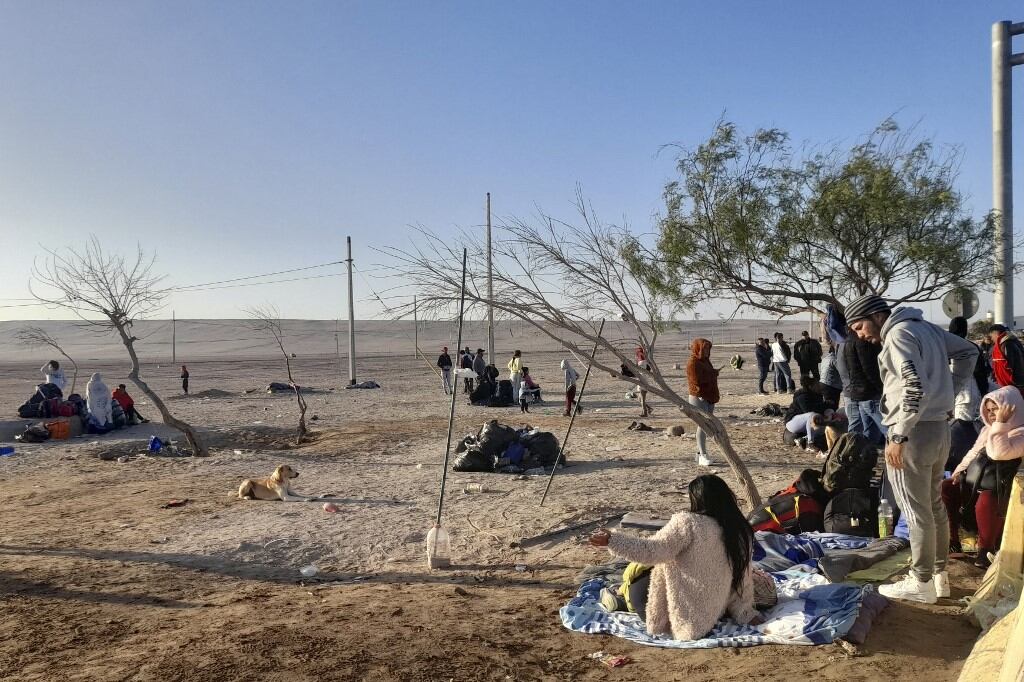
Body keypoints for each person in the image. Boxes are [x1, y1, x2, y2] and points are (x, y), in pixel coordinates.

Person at [845, 293, 978, 603]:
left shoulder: (898, 334)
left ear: (878, 316)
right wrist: (949, 393)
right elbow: (969, 351)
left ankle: (920, 582)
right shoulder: (926, 328)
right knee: (933, 506)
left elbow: (914, 386)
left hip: (913, 434)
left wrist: (898, 436)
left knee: (916, 511)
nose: (860, 335)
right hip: (938, 429)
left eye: (860, 326)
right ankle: (938, 577)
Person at [588, 475, 757, 641]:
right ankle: (620, 593)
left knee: (639, 575)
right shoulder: (740, 530)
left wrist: (613, 540)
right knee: (653, 568)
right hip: (709, 615)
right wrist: (745, 613)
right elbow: (743, 578)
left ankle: (619, 598)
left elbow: (651, 551)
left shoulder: (688, 523)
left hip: (677, 617)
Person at [942, 387, 1023, 568]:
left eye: (996, 409)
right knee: (946, 487)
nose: (992, 414)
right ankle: (953, 541)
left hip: (1007, 490)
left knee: (986, 499)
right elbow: (973, 453)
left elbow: (998, 453)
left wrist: (1001, 425)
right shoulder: (987, 430)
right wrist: (958, 472)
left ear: (1011, 407)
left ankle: (986, 550)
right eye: (988, 410)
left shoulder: (1021, 431)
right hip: (980, 480)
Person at [842, 336, 885, 447]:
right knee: (889, 429)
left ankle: (861, 457)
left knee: (870, 431)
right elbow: (870, 369)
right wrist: (881, 388)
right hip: (869, 392)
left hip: (859, 393)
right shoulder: (863, 342)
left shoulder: (847, 342)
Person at [686, 338, 720, 467]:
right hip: (698, 397)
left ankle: (699, 453)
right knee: (703, 425)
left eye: (708, 348)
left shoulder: (705, 361)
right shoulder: (692, 363)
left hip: (709, 396)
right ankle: (703, 455)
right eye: (704, 348)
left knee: (707, 424)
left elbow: (707, 374)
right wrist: (711, 375)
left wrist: (713, 373)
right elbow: (695, 381)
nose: (707, 351)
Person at [949, 316, 991, 397]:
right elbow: (979, 371)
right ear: (965, 330)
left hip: (946, 393)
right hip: (968, 392)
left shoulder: (943, 346)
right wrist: (984, 390)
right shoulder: (971, 347)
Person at [988, 324, 1024, 394]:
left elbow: (1009, 365)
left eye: (991, 336)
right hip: (1016, 382)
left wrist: (1009, 382)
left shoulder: (1006, 345)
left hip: (1014, 382)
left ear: (996, 333)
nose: (991, 339)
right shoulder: (1011, 342)